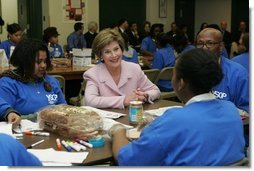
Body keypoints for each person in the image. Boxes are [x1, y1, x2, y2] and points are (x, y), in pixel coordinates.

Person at [109, 48, 245, 166]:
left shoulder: (174, 120)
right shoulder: (231, 110)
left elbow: (127, 160)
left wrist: (118, 131)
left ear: (181, 83)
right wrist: (156, 125)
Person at [196, 28, 249, 151]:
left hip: (229, 138)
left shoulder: (237, 73)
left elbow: (248, 114)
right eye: (200, 43)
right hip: (198, 132)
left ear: (221, 46)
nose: (204, 48)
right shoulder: (192, 69)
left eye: (210, 43)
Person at [83, 28, 160, 109]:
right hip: (106, 120)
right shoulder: (93, 74)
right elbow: (90, 100)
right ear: (101, 55)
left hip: (132, 118)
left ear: (121, 49)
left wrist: (145, 96)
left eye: (116, 49)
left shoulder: (134, 69)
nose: (114, 55)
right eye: (107, 52)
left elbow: (156, 91)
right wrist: (123, 100)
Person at [0, 38, 66, 126]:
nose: (43, 66)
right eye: (38, 62)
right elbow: (2, 104)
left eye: (45, 61)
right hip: (22, 132)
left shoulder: (51, 81)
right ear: (25, 62)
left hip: (52, 130)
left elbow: (64, 108)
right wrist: (9, 113)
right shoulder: (9, 82)